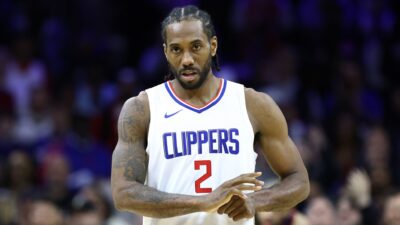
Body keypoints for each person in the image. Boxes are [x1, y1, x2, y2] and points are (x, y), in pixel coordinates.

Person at [111, 5, 309, 225]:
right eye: (177, 49)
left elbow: (299, 181)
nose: (187, 59)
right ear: (166, 52)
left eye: (196, 47)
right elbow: (123, 193)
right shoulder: (143, 108)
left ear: (213, 46)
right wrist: (203, 201)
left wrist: (254, 201)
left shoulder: (252, 104)